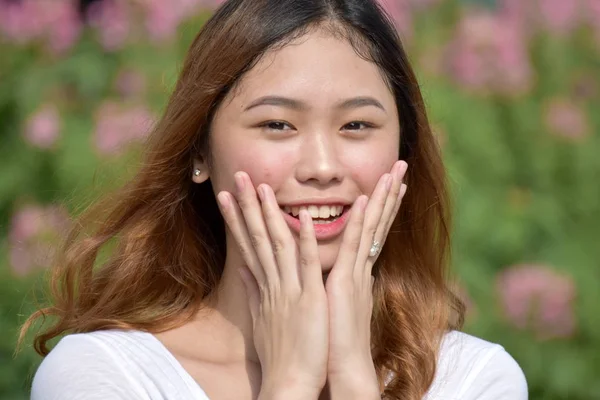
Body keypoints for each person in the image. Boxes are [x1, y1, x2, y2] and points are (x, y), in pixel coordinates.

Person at [20, 0, 528, 399]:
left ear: (404, 150)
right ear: (199, 149)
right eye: (277, 125)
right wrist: (289, 387)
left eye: (357, 125)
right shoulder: (105, 374)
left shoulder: (471, 380)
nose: (323, 168)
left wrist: (352, 381)